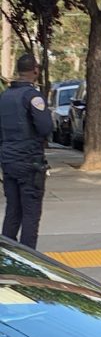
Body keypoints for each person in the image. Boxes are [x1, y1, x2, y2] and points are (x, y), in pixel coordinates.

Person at [0, 54, 53, 249]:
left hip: (8, 161)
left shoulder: (4, 96)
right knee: (31, 213)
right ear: (35, 70)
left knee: (13, 211)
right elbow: (45, 127)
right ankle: (29, 260)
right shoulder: (33, 97)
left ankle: (6, 256)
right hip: (29, 162)